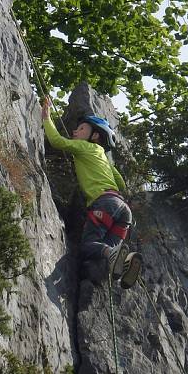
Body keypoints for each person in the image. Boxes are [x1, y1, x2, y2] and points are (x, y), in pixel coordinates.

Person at [41, 97, 141, 288]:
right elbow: (120, 181)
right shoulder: (104, 157)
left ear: (94, 136)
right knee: (107, 250)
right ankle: (122, 265)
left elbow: (56, 141)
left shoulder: (85, 146)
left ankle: (113, 256)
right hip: (122, 209)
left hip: (103, 204)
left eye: (81, 129)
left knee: (88, 246)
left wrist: (46, 117)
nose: (74, 131)